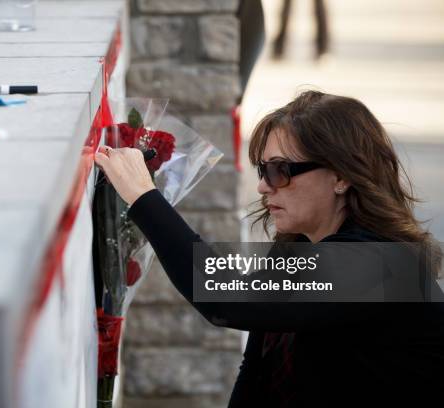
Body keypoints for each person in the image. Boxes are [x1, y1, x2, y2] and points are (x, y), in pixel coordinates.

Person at [94, 91, 444, 407]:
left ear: (341, 176)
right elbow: (259, 365)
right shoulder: (302, 246)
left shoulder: (381, 266)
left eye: (280, 171)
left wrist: (143, 195)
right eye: (263, 170)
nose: (262, 185)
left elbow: (225, 298)